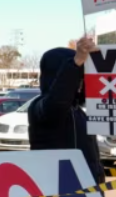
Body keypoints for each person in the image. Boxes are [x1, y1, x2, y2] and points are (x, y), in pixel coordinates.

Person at [27, 36, 105, 184]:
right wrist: (75, 64)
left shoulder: (78, 111)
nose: (80, 81)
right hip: (57, 191)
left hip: (88, 192)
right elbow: (58, 100)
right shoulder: (39, 107)